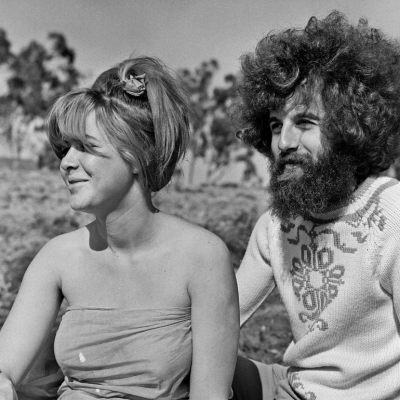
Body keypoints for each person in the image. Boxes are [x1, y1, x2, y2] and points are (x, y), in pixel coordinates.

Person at [0, 56, 239, 400]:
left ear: (135, 156)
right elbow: (5, 369)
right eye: (65, 148)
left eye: (85, 147)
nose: (66, 162)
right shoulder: (58, 257)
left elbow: (210, 395)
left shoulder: (203, 257)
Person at [232, 11, 400, 400]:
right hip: (293, 388)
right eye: (276, 125)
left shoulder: (391, 212)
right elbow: (222, 316)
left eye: (304, 122)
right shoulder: (276, 224)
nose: (284, 142)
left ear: (348, 127)